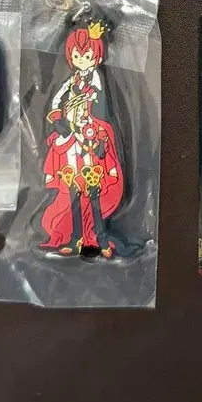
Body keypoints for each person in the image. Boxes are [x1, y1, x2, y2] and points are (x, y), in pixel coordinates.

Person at [40, 22, 124, 258]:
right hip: (71, 140)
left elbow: (102, 111)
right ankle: (75, 237)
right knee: (74, 192)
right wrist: (58, 120)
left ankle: (100, 238)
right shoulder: (70, 82)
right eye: (77, 55)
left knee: (93, 192)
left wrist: (99, 139)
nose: (82, 60)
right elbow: (56, 101)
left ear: (96, 57)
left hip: (91, 138)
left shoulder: (97, 83)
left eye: (87, 55)